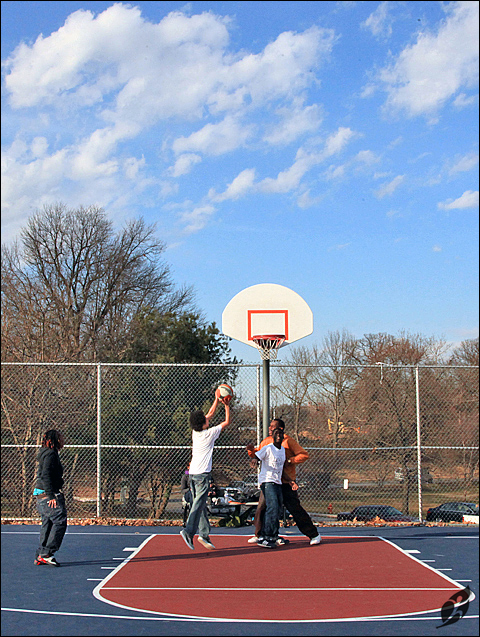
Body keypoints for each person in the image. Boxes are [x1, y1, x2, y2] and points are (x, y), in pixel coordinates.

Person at [247, 418, 321, 546]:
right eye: (269, 426)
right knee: (262, 508)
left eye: (272, 427)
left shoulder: (288, 442)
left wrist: (290, 461)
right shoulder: (267, 442)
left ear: (280, 429)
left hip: (285, 481)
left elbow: (303, 454)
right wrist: (251, 452)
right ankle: (261, 535)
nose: (269, 429)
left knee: (294, 508)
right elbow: (258, 454)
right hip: (270, 481)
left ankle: (313, 534)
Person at [180, 388, 231, 551]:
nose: (208, 418)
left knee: (200, 505)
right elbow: (226, 422)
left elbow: (209, 413)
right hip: (202, 475)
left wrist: (216, 399)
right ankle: (189, 531)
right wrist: (227, 405)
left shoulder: (196, 431)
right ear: (204, 423)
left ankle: (204, 534)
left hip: (192, 473)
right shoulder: (210, 433)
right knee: (198, 504)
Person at [246, 427, 297, 549]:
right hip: (267, 482)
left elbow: (281, 470)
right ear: (273, 437)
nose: (278, 435)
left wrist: (290, 481)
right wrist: (254, 461)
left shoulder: (283, 451)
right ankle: (266, 536)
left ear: (283, 436)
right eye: (276, 434)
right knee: (272, 507)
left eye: (280, 433)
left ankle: (274, 535)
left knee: (278, 508)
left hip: (277, 482)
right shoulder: (268, 448)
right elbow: (256, 457)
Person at [33, 429, 68, 566]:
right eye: (60, 438)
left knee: (47, 522)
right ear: (54, 440)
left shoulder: (46, 453)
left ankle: (41, 553)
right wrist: (51, 495)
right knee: (60, 520)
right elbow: (46, 475)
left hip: (41, 492)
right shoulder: (50, 455)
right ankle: (47, 553)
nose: (62, 440)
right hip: (47, 493)